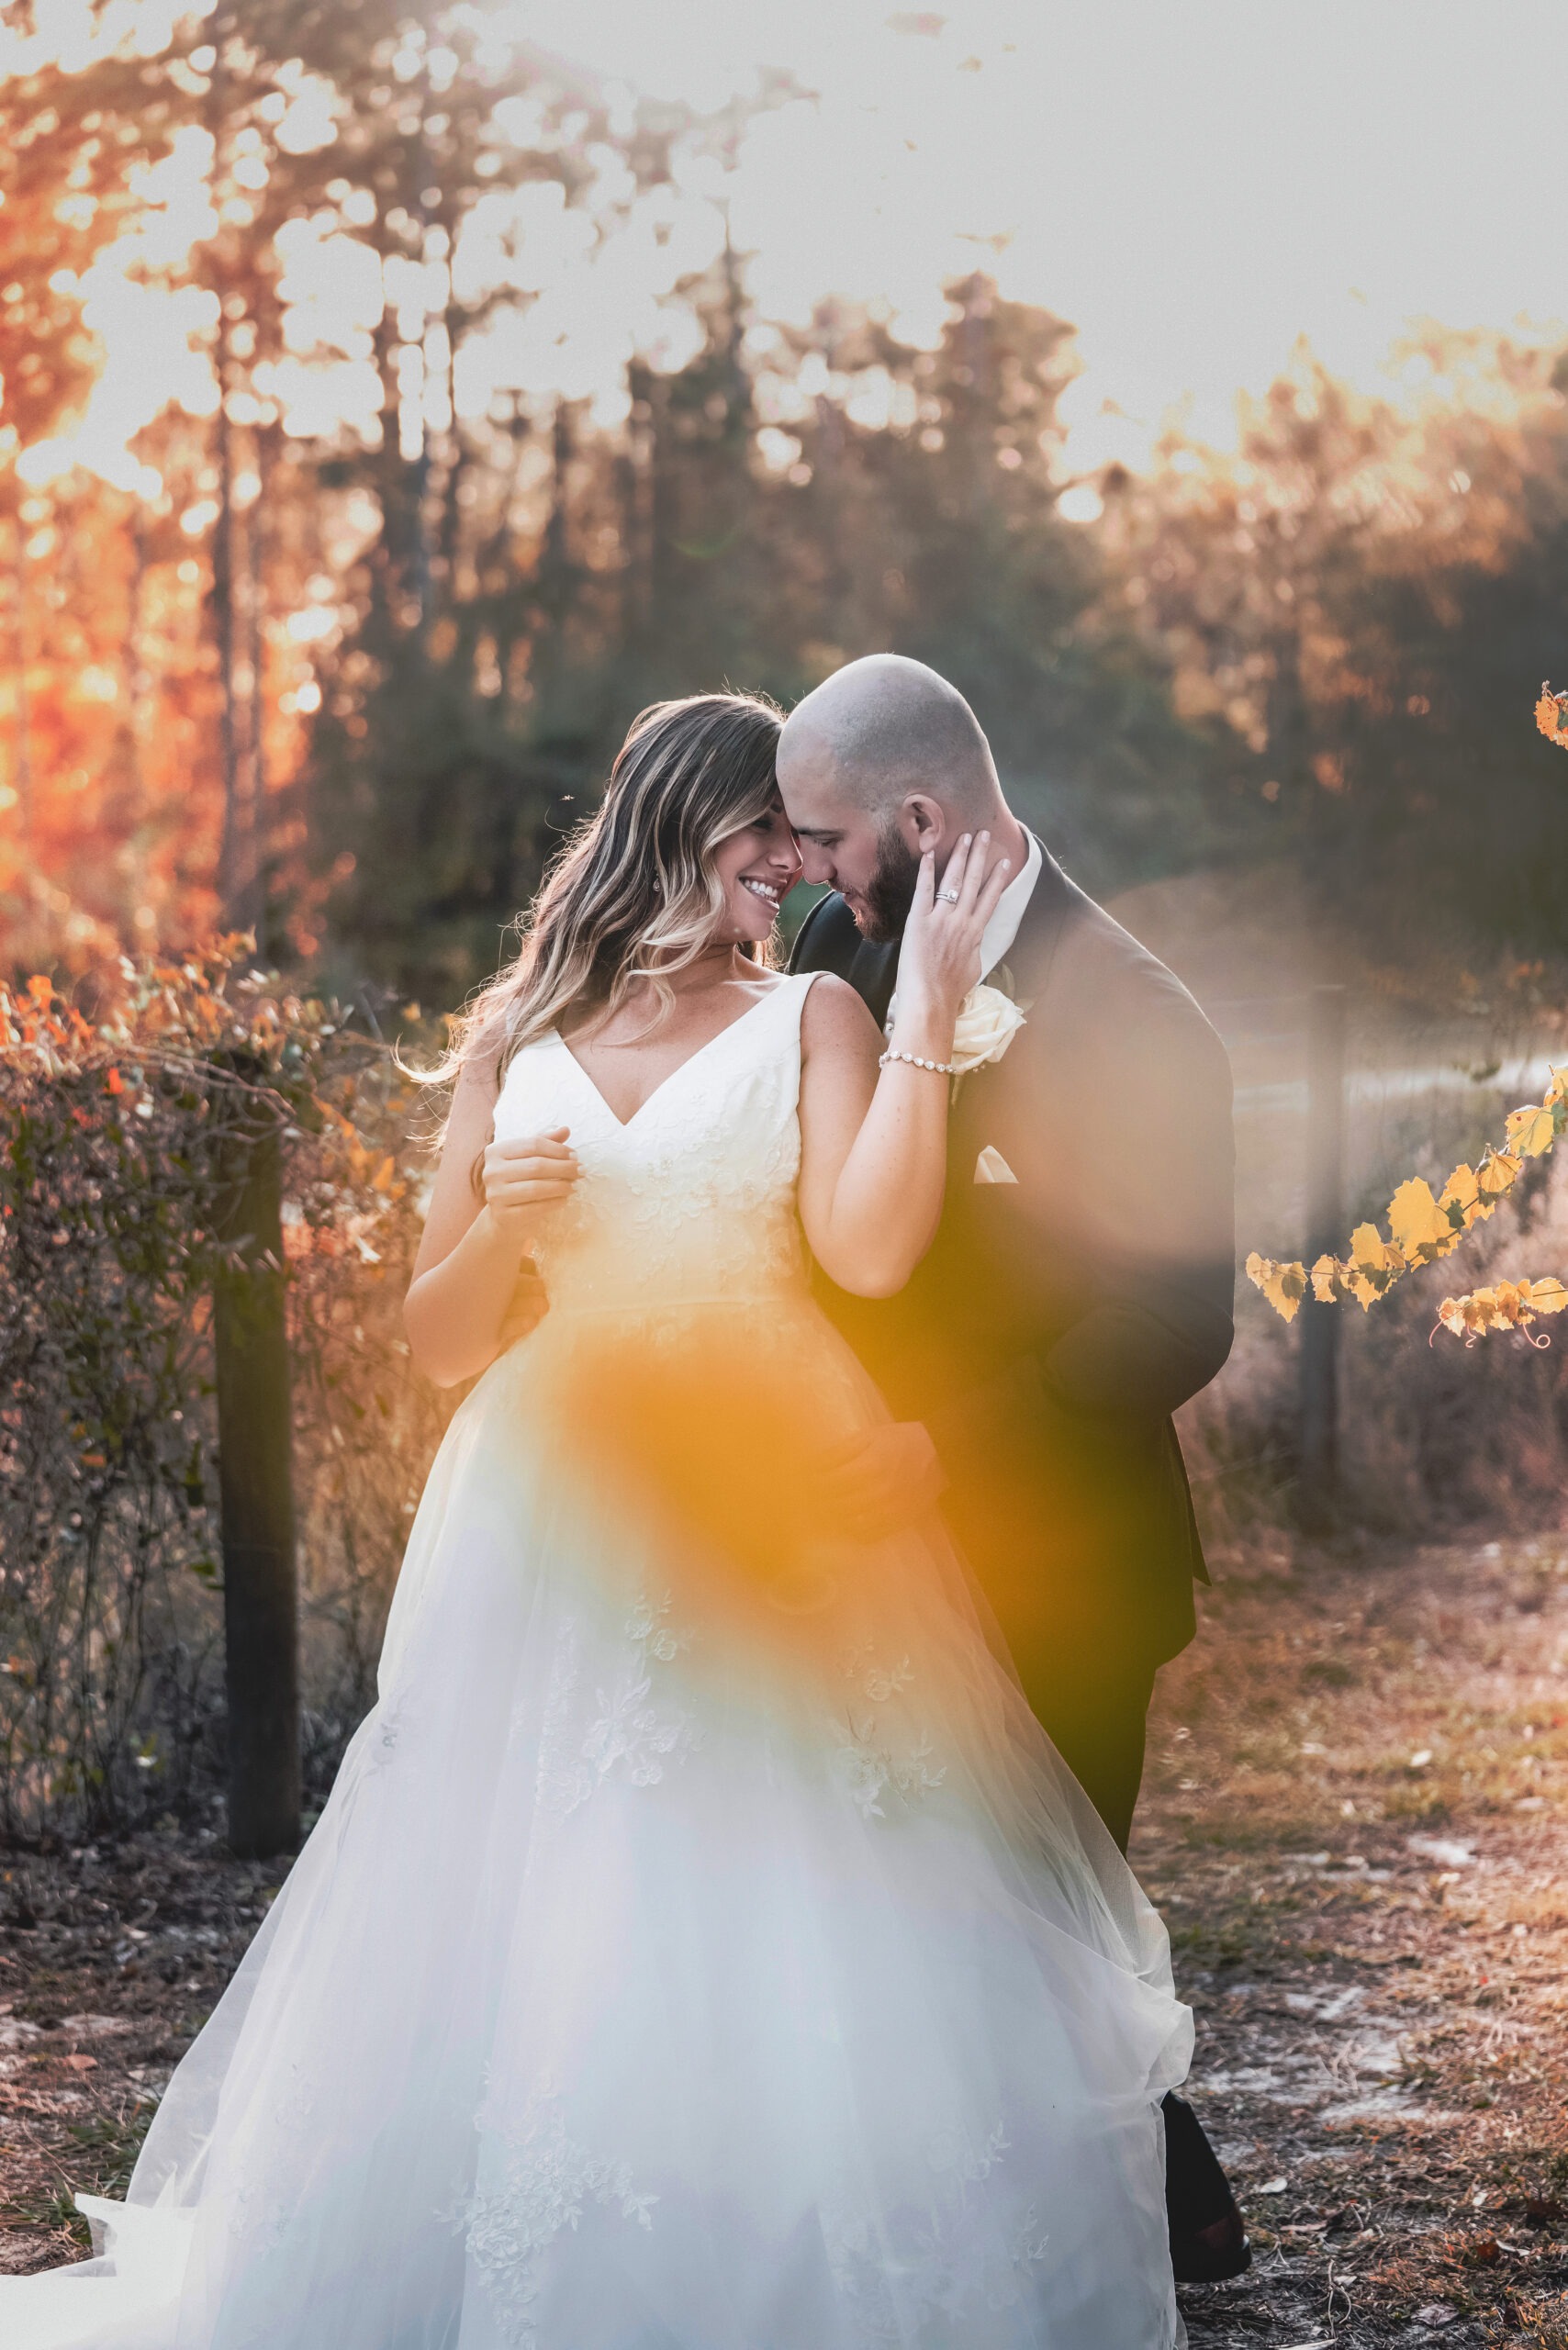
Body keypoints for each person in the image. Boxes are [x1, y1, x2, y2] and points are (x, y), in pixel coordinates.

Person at [4, 691, 1192, 2350]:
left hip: (772, 1469)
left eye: (801, 829)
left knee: (792, 1863)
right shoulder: (509, 1046)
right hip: (556, 1488)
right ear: (675, 827)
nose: (793, 865)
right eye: (764, 831)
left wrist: (919, 1019)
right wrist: (496, 1222)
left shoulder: (815, 1027)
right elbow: (436, 1336)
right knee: (553, 1873)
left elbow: (865, 1254)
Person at [782, 652, 1247, 2281]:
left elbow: (1179, 1322)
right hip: (857, 1541)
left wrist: (946, 1451)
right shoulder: (838, 947)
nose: (810, 876)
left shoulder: (1134, 1012)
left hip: (1064, 1559)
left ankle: (1129, 2213)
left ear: (917, 818)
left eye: (828, 839)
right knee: (890, 1899)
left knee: (1047, 1920)